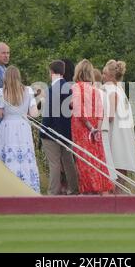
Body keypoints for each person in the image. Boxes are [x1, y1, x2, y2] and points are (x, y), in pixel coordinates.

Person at [0, 66, 40, 193]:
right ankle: (28, 187)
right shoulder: (28, 90)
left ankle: (8, 188)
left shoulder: (1, 92)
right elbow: (34, 113)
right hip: (23, 125)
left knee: (9, 154)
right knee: (25, 155)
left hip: (8, 127)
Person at [71, 59, 114, 194]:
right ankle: (101, 188)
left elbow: (79, 111)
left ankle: (88, 190)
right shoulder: (95, 90)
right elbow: (101, 112)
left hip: (82, 129)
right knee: (97, 158)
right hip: (96, 128)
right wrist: (98, 129)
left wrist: (90, 127)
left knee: (84, 160)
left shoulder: (77, 87)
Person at [41, 60, 79, 195]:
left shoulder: (52, 90)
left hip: (51, 132)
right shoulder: (68, 88)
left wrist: (43, 130)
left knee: (55, 163)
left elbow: (48, 113)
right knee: (68, 161)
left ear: (51, 72)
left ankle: (53, 192)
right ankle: (74, 188)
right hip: (66, 131)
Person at [102, 60, 135, 190]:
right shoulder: (119, 89)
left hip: (116, 131)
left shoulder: (111, 90)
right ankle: (120, 189)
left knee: (116, 158)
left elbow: (111, 115)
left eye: (105, 74)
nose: (103, 76)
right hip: (123, 130)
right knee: (121, 158)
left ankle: (117, 190)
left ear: (111, 76)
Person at [93, 68, 117, 181]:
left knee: (105, 157)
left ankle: (108, 181)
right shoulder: (103, 93)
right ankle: (110, 180)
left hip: (100, 128)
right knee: (107, 156)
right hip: (104, 127)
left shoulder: (98, 93)